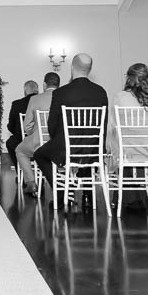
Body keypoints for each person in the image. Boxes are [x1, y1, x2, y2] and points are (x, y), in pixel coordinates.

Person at [34, 54, 109, 206]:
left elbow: (52, 125)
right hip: (94, 148)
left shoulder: (61, 93)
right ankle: (87, 195)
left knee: (39, 155)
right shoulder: (101, 92)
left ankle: (61, 192)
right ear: (89, 69)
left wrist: (57, 140)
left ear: (72, 68)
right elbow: (104, 124)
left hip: (67, 147)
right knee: (87, 149)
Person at [105, 63, 148, 211]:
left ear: (129, 78)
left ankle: (128, 198)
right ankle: (147, 196)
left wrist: (108, 146)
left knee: (120, 141)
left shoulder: (120, 97)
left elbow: (111, 126)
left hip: (127, 151)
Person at [17, 72, 60, 196]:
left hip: (39, 143)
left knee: (19, 150)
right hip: (59, 143)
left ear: (44, 85)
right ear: (59, 85)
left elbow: (27, 126)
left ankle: (31, 182)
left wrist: (33, 133)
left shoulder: (35, 99)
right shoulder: (64, 98)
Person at [6, 80, 39, 165]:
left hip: (22, 141)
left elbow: (10, 126)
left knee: (10, 142)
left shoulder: (17, 104)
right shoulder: (42, 103)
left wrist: (20, 134)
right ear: (37, 91)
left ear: (25, 91)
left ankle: (20, 168)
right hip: (40, 141)